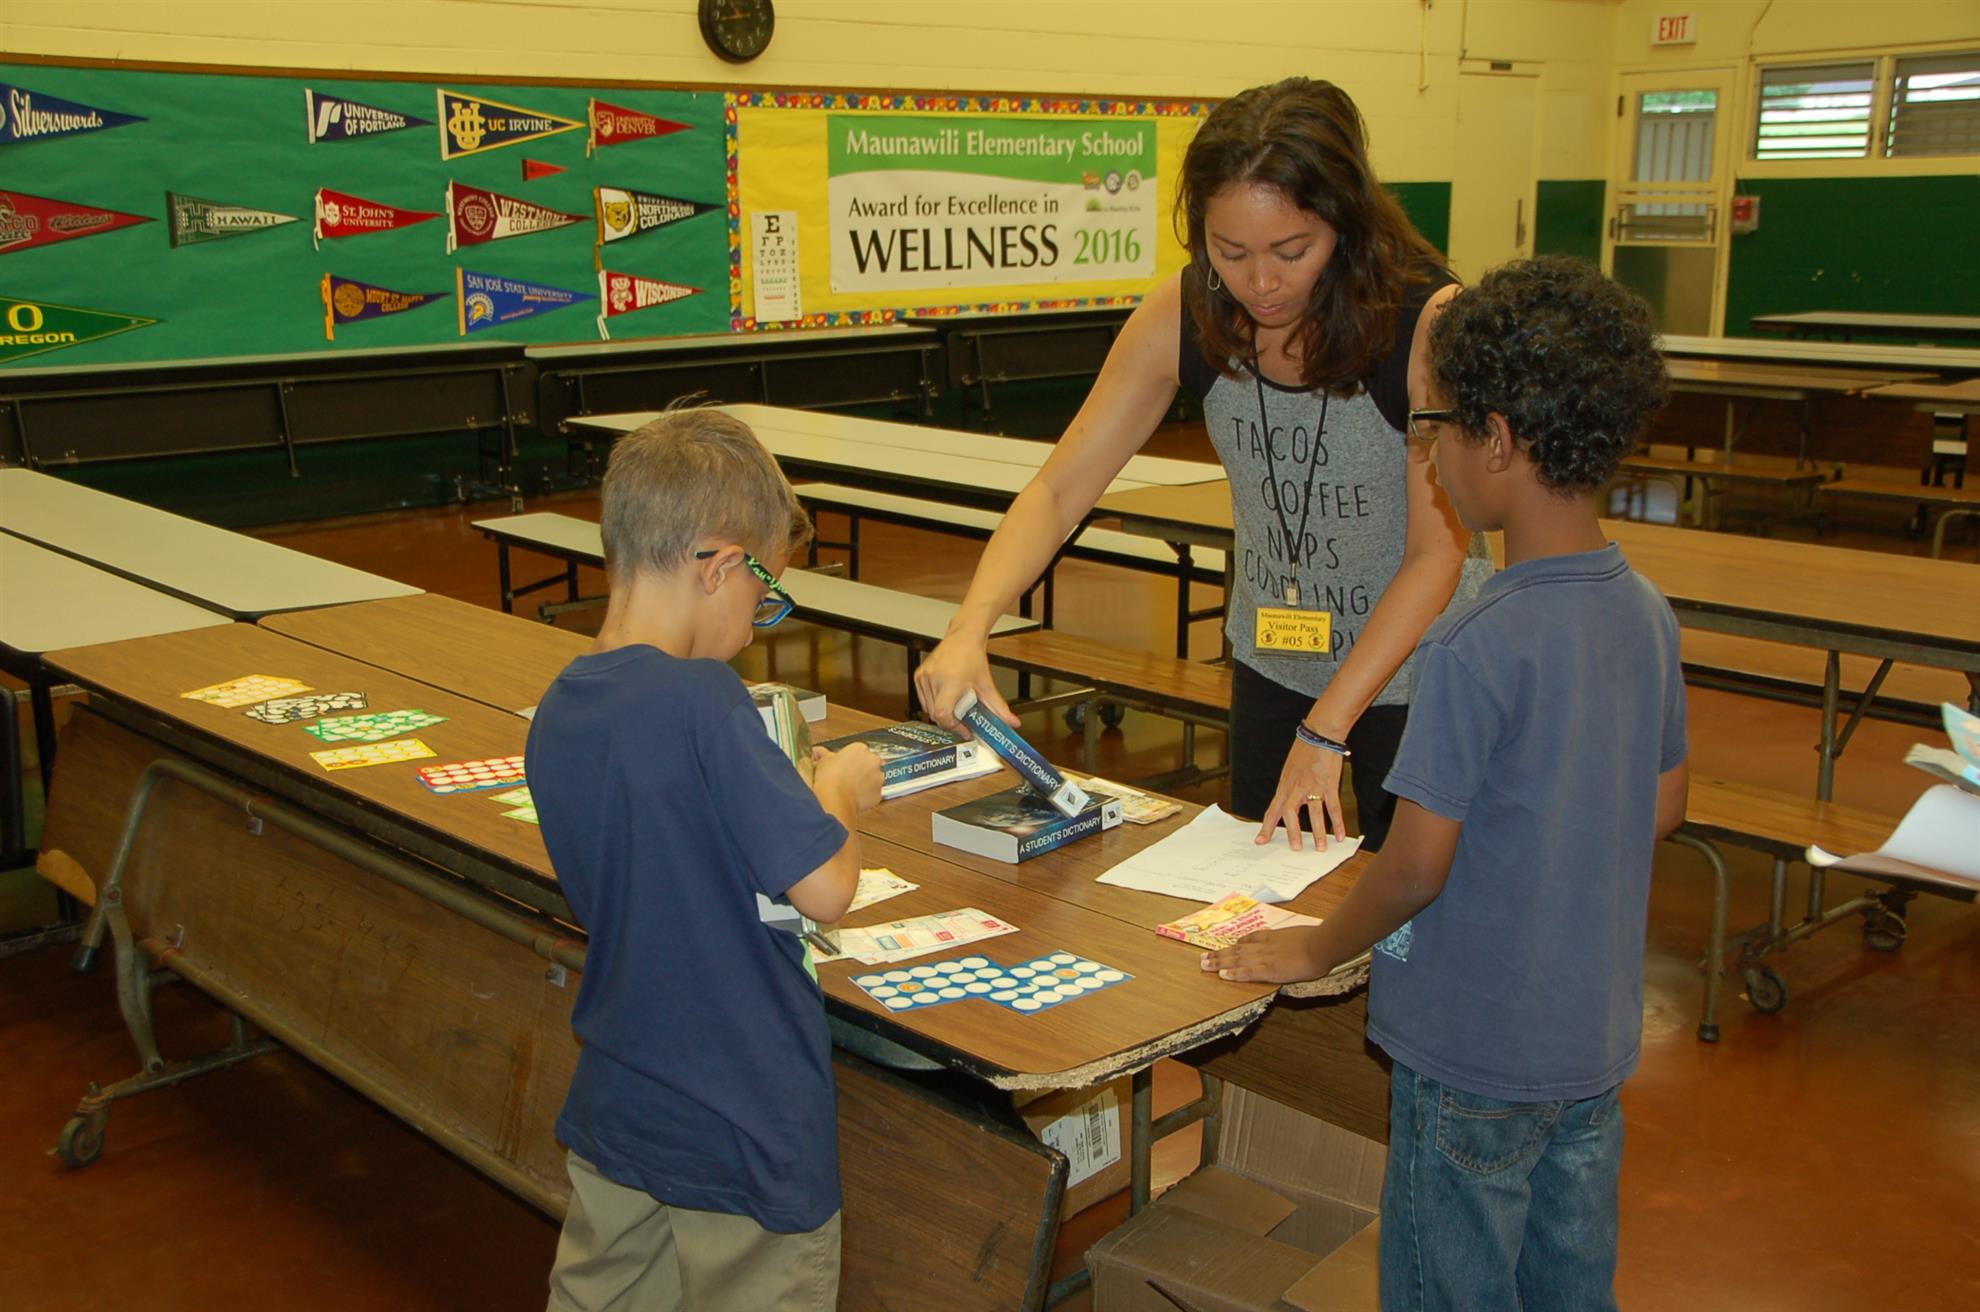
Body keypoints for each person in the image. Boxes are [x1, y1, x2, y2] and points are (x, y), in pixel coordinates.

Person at [1202, 256, 1688, 1312]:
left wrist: (1315, 948)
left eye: (1433, 429)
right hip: (1589, 1043)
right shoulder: (1646, 612)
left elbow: (1416, 866)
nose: (1425, 456)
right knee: (1570, 1283)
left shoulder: (1474, 640)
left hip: (1470, 1051)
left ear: (1496, 440)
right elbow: (1660, 807)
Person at [914, 76, 1480, 854]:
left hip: (1419, 667)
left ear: (1345, 224)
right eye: (1230, 252)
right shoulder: (1185, 311)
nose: (1261, 283)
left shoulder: (1423, 322)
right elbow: (1059, 488)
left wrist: (1327, 729)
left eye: (1292, 251)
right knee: (1264, 890)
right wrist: (969, 625)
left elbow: (1436, 553)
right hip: (1278, 655)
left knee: (1409, 896)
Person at [526, 408, 883, 1312]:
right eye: (765, 597)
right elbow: (828, 888)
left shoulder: (561, 705)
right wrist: (839, 790)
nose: (756, 626)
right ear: (720, 565)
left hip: (621, 1102)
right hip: (744, 1119)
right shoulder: (702, 698)